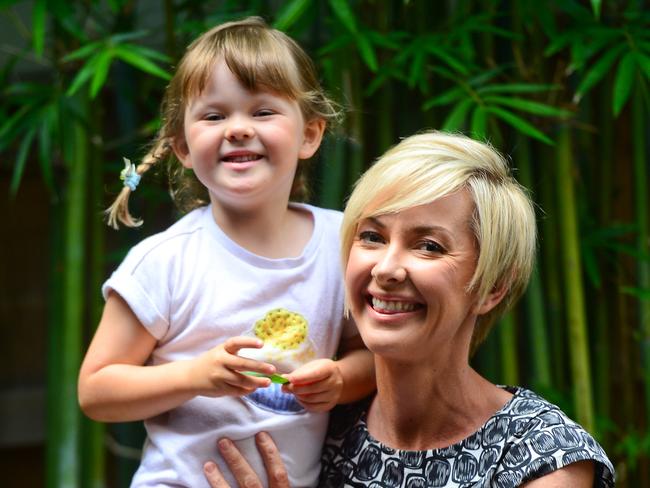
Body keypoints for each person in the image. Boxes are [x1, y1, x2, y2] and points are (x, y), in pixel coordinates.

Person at [200, 131, 616, 487]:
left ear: (491, 287)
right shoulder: (318, 416)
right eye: (371, 237)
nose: (386, 268)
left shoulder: (544, 457)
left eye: (428, 246)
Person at [77, 17, 375, 488]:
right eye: (214, 116)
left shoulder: (343, 245)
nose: (237, 129)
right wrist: (196, 376)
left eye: (262, 112)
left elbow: (377, 354)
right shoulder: (165, 261)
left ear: (310, 134)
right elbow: (97, 390)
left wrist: (340, 380)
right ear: (183, 147)